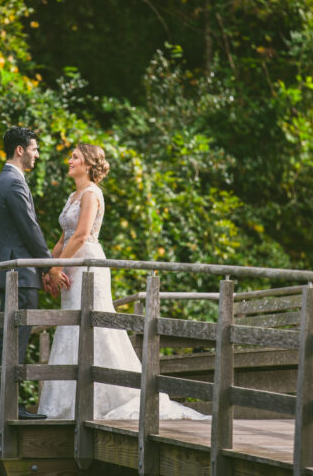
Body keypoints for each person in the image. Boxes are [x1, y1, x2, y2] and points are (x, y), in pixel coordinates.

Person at [38, 143, 208, 421]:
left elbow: (81, 236)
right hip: (71, 263)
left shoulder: (92, 194)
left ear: (88, 165)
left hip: (87, 265)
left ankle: (105, 398)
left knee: (95, 327)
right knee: (70, 327)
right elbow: (63, 239)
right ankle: (66, 404)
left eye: (75, 157)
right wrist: (47, 270)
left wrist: (58, 267)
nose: (69, 161)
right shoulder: (72, 195)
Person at [0, 126, 69, 420]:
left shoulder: (1, 181)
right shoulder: (13, 183)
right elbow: (30, 230)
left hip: (11, 272)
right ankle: (7, 408)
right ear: (20, 150)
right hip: (19, 275)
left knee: (6, 339)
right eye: (34, 148)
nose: (37, 154)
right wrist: (50, 267)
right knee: (14, 341)